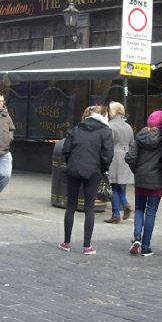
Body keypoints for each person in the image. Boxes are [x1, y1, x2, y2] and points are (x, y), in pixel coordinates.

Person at [60, 105, 114, 255]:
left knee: (71, 204)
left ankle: (66, 242)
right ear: (103, 116)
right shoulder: (105, 132)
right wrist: (101, 169)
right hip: (93, 172)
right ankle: (87, 245)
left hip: (74, 170)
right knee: (89, 207)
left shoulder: (76, 129)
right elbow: (108, 155)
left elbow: (66, 149)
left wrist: (71, 163)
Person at [127, 110, 162, 257]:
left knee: (139, 209)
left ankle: (137, 237)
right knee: (151, 212)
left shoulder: (140, 136)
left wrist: (137, 170)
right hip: (157, 180)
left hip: (141, 178)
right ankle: (146, 246)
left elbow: (131, 156)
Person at [105, 102, 134, 224]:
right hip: (125, 156)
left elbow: (107, 144)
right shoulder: (128, 127)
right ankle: (124, 205)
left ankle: (116, 213)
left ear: (113, 112)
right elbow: (132, 143)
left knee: (113, 184)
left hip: (114, 156)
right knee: (117, 185)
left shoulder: (110, 126)